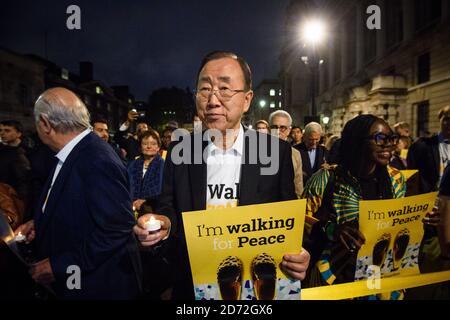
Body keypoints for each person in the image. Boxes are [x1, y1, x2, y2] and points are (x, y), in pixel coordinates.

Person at [133, 51, 310, 300]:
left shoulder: (275, 152)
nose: (213, 100)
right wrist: (163, 224)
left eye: (225, 89)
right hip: (195, 285)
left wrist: (299, 254)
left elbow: (288, 219)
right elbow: (169, 208)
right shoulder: (179, 151)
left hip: (255, 288)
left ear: (247, 100)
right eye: (205, 89)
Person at [14, 87, 142, 299]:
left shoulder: (96, 159)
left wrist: (59, 265)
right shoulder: (74, 152)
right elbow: (77, 205)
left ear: (45, 124)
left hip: (97, 288)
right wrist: (42, 221)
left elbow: (117, 228)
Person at [302, 115, 406, 298]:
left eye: (391, 138)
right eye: (380, 138)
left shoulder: (396, 180)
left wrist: (425, 224)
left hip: (382, 283)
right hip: (335, 279)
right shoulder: (326, 178)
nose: (388, 145)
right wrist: (331, 229)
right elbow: (300, 223)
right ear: (357, 141)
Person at [408, 106, 450, 193]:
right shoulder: (421, 146)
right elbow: (412, 180)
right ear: (440, 119)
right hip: (429, 202)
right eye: (447, 119)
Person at [127, 129, 164, 213]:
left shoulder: (163, 165)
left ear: (158, 147)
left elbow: (162, 191)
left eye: (153, 144)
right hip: (131, 208)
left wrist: (145, 201)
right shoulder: (132, 165)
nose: (149, 146)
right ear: (140, 147)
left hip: (154, 209)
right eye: (145, 143)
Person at [269, 110, 304, 197]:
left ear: (289, 130)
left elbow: (298, 183)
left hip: (287, 205)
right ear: (269, 128)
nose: (278, 131)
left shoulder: (295, 154)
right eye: (274, 127)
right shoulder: (258, 151)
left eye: (282, 128)